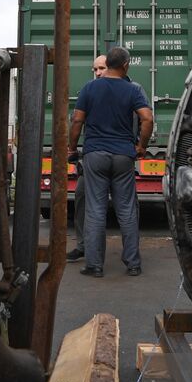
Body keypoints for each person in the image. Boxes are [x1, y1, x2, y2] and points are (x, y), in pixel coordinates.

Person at [67, 46, 153, 277]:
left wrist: (72, 147)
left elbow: (76, 121)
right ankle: (133, 264)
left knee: (95, 210)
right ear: (125, 65)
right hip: (124, 155)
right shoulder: (133, 89)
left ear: (109, 64)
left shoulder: (89, 88)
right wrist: (141, 146)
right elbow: (147, 118)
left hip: (95, 155)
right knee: (126, 210)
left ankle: (95, 265)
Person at [68, 54, 108, 263]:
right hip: (91, 157)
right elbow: (76, 121)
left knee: (125, 208)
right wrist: (73, 149)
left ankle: (129, 256)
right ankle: (84, 246)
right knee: (81, 198)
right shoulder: (88, 92)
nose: (98, 73)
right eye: (95, 69)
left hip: (116, 158)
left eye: (102, 68)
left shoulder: (126, 90)